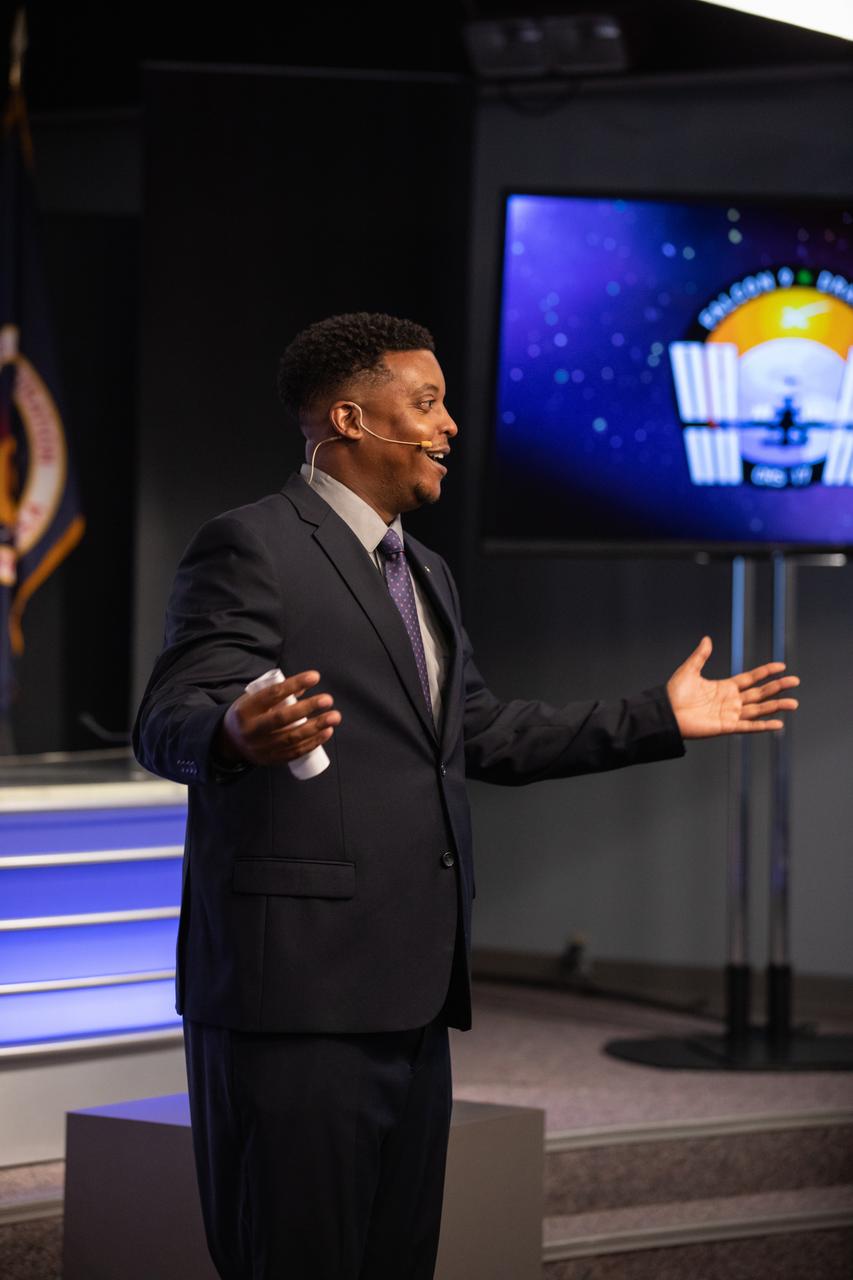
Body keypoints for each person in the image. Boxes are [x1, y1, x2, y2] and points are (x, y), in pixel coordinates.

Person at [133, 312, 799, 1280]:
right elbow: (170, 714)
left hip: (413, 988)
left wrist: (656, 714)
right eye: (429, 402)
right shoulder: (251, 544)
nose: (449, 426)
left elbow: (479, 733)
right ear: (350, 419)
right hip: (296, 1000)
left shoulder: (428, 572)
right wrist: (234, 731)